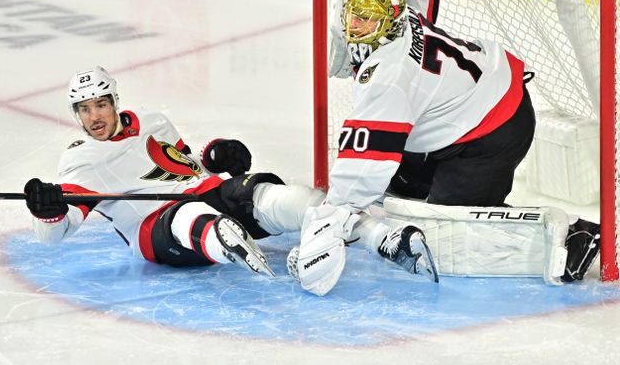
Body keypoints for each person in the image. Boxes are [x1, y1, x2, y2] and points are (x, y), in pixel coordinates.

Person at [289, 0, 600, 293]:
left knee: (444, 233)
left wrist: (333, 214)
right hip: (476, 100)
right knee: (400, 184)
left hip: (493, 129)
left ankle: (574, 234)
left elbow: (366, 159)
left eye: (367, 21)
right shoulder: (403, 12)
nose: (355, 27)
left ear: (389, 25)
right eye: (354, 17)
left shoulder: (388, 78)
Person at [23, 66, 437, 294]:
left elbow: (184, 166)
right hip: (156, 230)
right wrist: (49, 211)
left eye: (100, 104)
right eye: (84, 109)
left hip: (206, 193)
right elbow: (54, 237)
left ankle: (381, 237)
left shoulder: (153, 120)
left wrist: (215, 154)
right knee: (193, 217)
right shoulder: (81, 162)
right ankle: (224, 241)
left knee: (282, 197)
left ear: (116, 101)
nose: (94, 116)